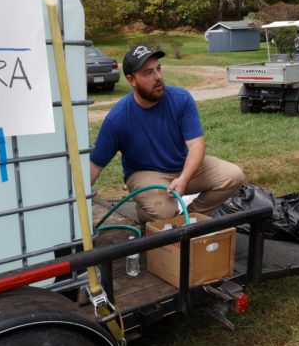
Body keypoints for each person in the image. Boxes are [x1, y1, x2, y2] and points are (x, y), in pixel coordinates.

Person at [90, 44, 244, 223]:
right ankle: (160, 216)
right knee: (162, 210)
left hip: (183, 168)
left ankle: (190, 219)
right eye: (148, 73)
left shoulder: (181, 99)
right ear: (132, 80)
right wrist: (69, 204)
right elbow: (95, 165)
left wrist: (184, 179)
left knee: (233, 176)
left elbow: (196, 146)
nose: (158, 77)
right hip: (146, 174)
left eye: (158, 69)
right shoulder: (118, 118)